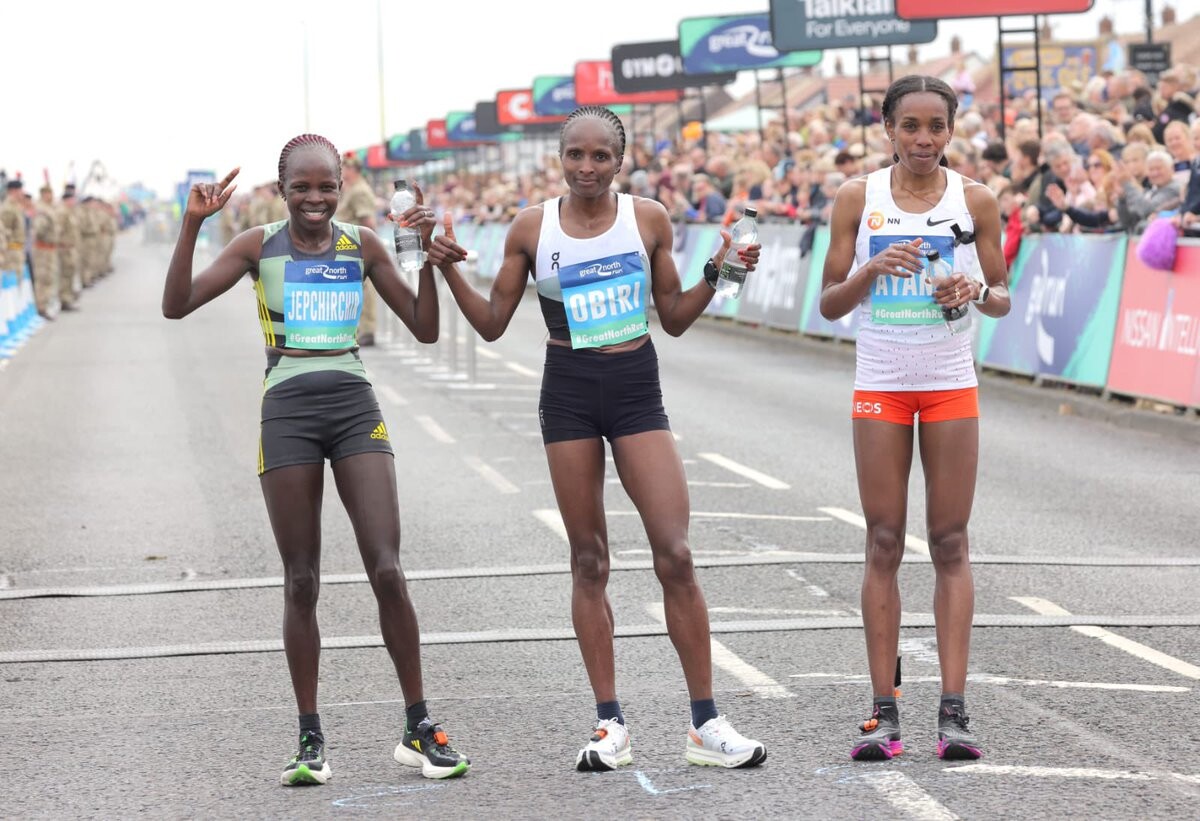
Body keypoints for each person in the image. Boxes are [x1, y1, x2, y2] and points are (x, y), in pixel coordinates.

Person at [426, 105, 767, 773]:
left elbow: (674, 317)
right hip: (569, 393)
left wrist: (720, 270)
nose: (586, 167)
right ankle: (611, 723)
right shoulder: (532, 227)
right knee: (589, 560)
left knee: (676, 553)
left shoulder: (649, 219)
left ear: (620, 161)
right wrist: (446, 270)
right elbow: (492, 323)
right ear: (560, 159)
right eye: (575, 155)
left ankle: (706, 723)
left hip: (637, 388)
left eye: (600, 156)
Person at [161, 133, 470, 786]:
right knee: (301, 579)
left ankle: (419, 726)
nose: (314, 198)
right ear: (282, 191)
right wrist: (192, 225)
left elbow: (424, 328)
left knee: (387, 568)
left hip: (354, 406)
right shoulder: (258, 246)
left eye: (326, 186)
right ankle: (310, 737)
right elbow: (176, 304)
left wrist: (421, 256)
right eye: (301, 187)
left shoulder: (363, 244)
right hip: (288, 412)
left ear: (340, 186)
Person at [818, 75, 1011, 762]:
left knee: (950, 540)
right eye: (910, 126)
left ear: (951, 130)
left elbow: (1002, 297)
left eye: (936, 126)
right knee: (883, 540)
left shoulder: (975, 199)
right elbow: (829, 302)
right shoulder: (858, 197)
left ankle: (954, 711)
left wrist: (974, 288)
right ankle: (884, 709)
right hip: (882, 383)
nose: (924, 139)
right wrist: (871, 272)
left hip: (950, 381)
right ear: (888, 129)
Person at [335, 153, 380, 346]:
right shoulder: (351, 189)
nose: (342, 171)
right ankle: (359, 328)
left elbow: (367, 222)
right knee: (354, 289)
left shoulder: (359, 191)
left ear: (352, 169)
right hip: (348, 245)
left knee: (363, 288)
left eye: (345, 167)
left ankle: (367, 329)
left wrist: (369, 249)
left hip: (357, 245)